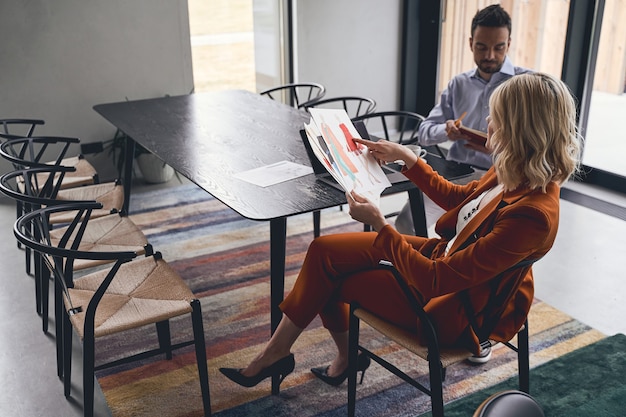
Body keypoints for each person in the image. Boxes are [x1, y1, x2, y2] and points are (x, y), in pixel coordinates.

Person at [220, 73, 581, 390]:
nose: (488, 122)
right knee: (323, 251)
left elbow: (436, 281)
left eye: (497, 118)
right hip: (445, 260)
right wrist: (408, 159)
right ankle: (291, 353)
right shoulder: (517, 169)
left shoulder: (533, 215)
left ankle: (285, 355)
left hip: (451, 307)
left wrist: (380, 224)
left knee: (326, 281)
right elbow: (461, 199)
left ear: (521, 131)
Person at [395, 4, 532, 235]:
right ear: (470, 44)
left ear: (509, 44)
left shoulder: (525, 84)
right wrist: (446, 131)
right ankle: (413, 268)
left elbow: (536, 145)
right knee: (405, 223)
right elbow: (424, 133)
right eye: (481, 47)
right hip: (455, 174)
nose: (490, 56)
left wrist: (498, 149)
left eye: (499, 47)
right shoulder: (459, 84)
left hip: (499, 179)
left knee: (468, 236)